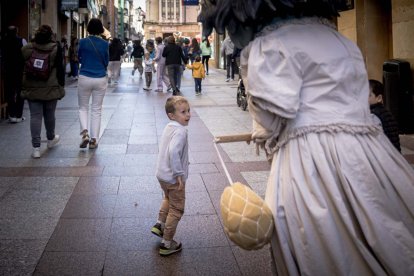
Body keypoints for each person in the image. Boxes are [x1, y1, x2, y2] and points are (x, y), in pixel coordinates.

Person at [199, 0, 414, 275]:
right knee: (384, 226)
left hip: (310, 158)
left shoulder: (271, 44)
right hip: (371, 152)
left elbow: (271, 119)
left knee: (317, 239)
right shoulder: (342, 42)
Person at [151, 96, 191, 256]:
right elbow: (173, 151)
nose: (188, 115)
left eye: (188, 111)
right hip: (174, 179)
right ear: (171, 115)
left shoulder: (169, 127)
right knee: (177, 209)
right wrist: (179, 174)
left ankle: (160, 224)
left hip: (162, 175)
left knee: (168, 198)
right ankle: (167, 243)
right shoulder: (181, 131)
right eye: (183, 112)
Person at [21, 25, 65, 158]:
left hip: (32, 87)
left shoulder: (27, 48)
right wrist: (61, 86)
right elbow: (60, 69)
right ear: (50, 35)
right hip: (50, 87)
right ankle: (50, 139)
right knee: (50, 114)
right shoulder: (56, 48)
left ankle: (36, 148)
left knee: (35, 116)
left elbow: (21, 66)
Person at [77, 18, 109, 150]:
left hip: (84, 76)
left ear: (88, 28)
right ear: (101, 29)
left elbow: (79, 57)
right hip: (100, 77)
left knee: (83, 107)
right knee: (96, 109)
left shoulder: (82, 42)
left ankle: (84, 133)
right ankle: (94, 139)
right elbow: (106, 61)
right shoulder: (105, 44)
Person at [3, 25, 27, 123]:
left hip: (8, 71)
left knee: (10, 93)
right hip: (19, 71)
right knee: (20, 93)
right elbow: (26, 55)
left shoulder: (3, 41)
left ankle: (12, 115)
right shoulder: (22, 41)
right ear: (17, 31)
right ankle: (19, 115)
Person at [369, 79, 401, 152]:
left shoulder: (374, 116)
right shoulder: (385, 112)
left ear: (379, 98)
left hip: (385, 157)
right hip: (394, 155)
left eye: (368, 95)